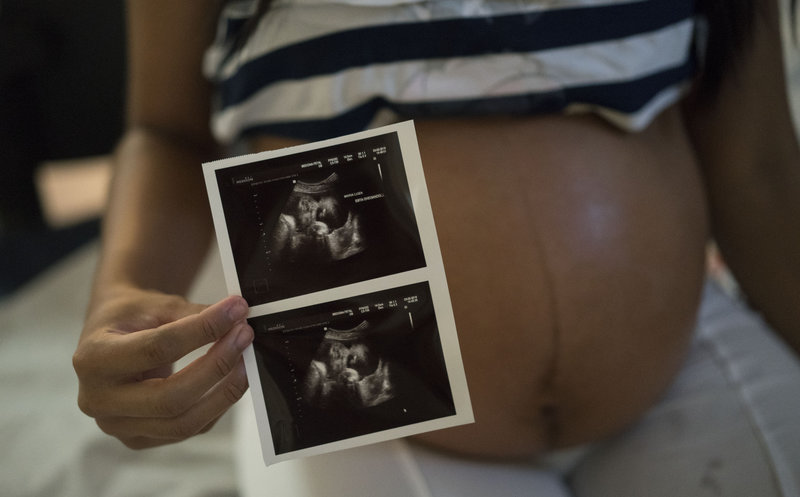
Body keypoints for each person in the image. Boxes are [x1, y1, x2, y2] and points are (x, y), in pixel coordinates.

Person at [73, 0, 799, 461]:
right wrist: (124, 293)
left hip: (682, 361)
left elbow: (758, 166)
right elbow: (167, 128)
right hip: (359, 416)